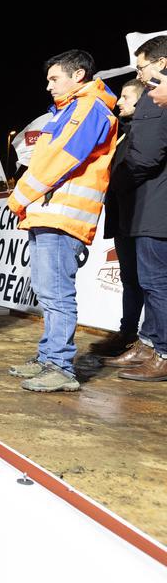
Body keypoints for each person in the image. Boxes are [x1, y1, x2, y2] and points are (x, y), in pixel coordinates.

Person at [8, 49, 118, 392]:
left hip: (64, 215)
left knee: (56, 293)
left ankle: (60, 366)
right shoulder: (65, 111)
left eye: (54, 79)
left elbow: (60, 161)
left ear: (79, 75)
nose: (48, 86)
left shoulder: (90, 108)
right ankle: (47, 357)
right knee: (46, 291)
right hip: (48, 212)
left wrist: (20, 196)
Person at [112, 36, 167, 381]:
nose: (139, 73)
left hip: (154, 206)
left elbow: (145, 156)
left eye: (142, 66)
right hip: (146, 206)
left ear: (161, 64)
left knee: (155, 282)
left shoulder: (156, 99)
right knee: (147, 281)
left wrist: (114, 182)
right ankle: (148, 342)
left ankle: (162, 352)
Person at [92, 78, 149, 358]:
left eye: (126, 97)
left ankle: (150, 342)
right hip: (122, 219)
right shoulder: (122, 133)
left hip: (143, 218)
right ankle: (127, 333)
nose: (120, 102)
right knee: (130, 280)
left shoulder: (146, 131)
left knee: (149, 282)